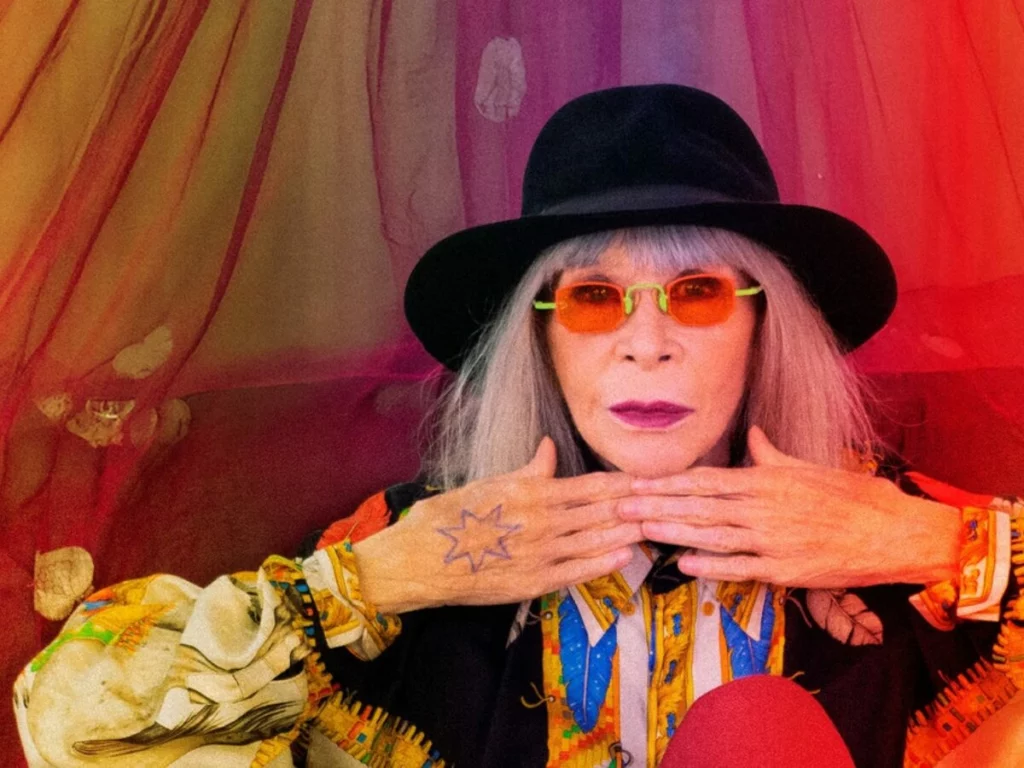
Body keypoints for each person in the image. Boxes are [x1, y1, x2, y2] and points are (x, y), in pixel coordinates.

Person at [14, 85, 1023, 768]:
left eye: (698, 292)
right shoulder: (419, 541)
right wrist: (377, 580)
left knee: (754, 725)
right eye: (592, 297)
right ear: (539, 339)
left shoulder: (882, 528)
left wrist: (939, 543)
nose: (646, 346)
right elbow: (73, 714)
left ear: (766, 328)